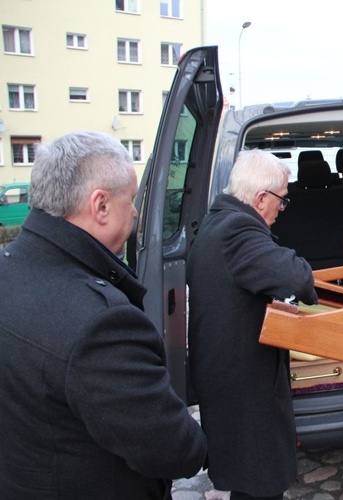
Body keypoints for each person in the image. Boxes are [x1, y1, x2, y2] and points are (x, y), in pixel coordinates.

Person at [0, 131, 207, 498]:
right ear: (100, 206)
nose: (135, 212)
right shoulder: (101, 323)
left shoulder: (9, 268)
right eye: (130, 200)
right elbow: (174, 449)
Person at [186, 149, 318, 499]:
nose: (282, 208)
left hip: (226, 375)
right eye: (282, 200)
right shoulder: (238, 230)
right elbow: (295, 277)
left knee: (248, 483)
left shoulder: (217, 220)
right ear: (262, 198)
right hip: (244, 386)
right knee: (260, 483)